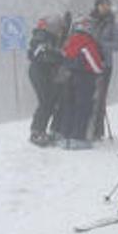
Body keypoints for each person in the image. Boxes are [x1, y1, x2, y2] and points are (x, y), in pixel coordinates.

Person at [56, 16, 104, 150]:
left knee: (69, 106)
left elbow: (65, 55)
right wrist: (100, 71)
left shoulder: (71, 41)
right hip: (85, 78)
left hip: (70, 76)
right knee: (83, 107)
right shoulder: (87, 42)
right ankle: (78, 137)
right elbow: (95, 63)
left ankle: (65, 136)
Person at [27, 13, 71, 147]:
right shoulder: (42, 36)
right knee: (45, 101)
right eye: (60, 28)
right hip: (39, 72)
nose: (60, 31)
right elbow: (40, 53)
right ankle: (37, 132)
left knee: (50, 101)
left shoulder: (50, 37)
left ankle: (40, 131)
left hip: (44, 72)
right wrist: (60, 55)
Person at [87, 0, 118, 141]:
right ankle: (88, 127)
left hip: (105, 64)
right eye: (102, 5)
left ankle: (97, 131)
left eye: (107, 4)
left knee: (100, 97)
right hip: (89, 63)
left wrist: (103, 45)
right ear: (96, 6)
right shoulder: (90, 21)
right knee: (90, 96)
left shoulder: (112, 23)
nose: (105, 7)